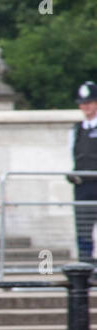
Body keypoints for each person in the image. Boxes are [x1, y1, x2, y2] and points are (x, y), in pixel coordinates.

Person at [70, 81, 97, 261]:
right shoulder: (76, 130)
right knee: (83, 228)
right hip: (83, 186)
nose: (85, 107)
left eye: (89, 102)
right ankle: (85, 265)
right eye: (82, 103)